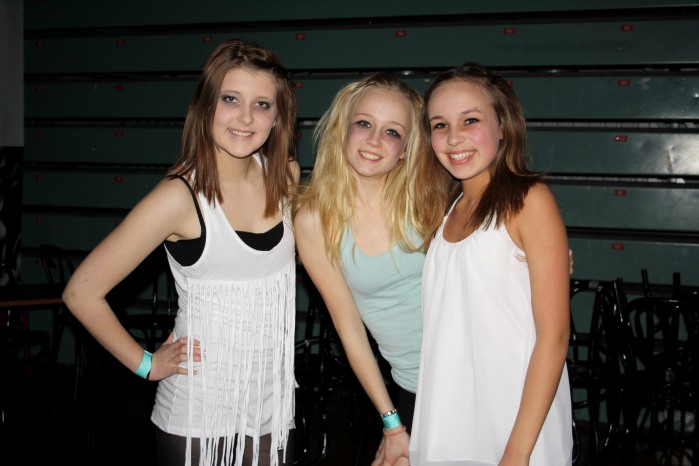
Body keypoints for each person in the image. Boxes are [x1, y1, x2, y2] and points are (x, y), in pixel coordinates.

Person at [62, 38, 300, 466]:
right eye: (231, 99)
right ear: (206, 105)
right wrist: (146, 365)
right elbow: (81, 292)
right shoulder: (177, 198)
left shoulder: (285, 176)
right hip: (197, 414)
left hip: (271, 411)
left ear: (278, 117)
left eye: (262, 104)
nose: (246, 117)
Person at [409, 62, 573, 465]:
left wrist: (517, 453)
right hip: (448, 415)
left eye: (470, 120)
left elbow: (553, 337)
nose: (454, 137)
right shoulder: (446, 208)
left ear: (503, 126)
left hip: (514, 422)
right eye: (440, 125)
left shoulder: (529, 200)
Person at [293, 72, 451, 466]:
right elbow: (349, 328)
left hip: (485, 370)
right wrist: (391, 423)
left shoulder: (432, 197)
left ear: (407, 149)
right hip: (416, 386)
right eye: (364, 123)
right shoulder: (314, 221)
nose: (375, 140)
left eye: (392, 131)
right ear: (342, 130)